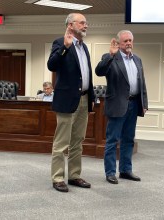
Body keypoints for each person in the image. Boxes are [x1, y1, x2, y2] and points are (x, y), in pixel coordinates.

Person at [47, 13, 95, 192]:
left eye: (86, 23)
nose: (86, 26)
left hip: (83, 99)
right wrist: (65, 48)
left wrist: (90, 99)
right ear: (71, 25)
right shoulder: (60, 42)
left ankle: (74, 175)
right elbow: (51, 65)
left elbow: (86, 75)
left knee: (78, 141)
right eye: (82, 23)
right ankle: (58, 177)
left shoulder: (84, 47)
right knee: (61, 142)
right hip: (67, 100)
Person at [95, 30, 148, 184]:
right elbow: (99, 71)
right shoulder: (111, 57)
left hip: (133, 104)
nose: (128, 43)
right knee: (112, 140)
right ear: (118, 43)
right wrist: (111, 55)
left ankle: (125, 170)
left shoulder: (137, 59)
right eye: (125, 41)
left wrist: (144, 103)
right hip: (117, 105)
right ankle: (110, 172)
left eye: (130, 40)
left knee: (129, 140)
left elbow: (142, 83)